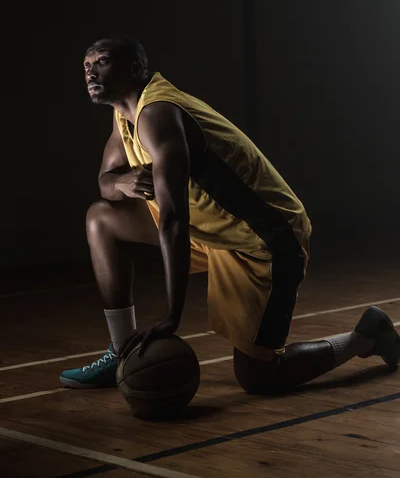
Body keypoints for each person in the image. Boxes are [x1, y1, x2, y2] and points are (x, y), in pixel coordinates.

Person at [60, 36, 400, 392]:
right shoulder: (123, 115)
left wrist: (171, 316)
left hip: (263, 238)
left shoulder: (157, 114)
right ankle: (120, 348)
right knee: (100, 218)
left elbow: (174, 220)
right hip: (209, 229)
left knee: (259, 376)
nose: (90, 72)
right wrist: (125, 183)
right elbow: (105, 181)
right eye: (86, 65)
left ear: (134, 68)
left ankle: (366, 336)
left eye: (101, 62)